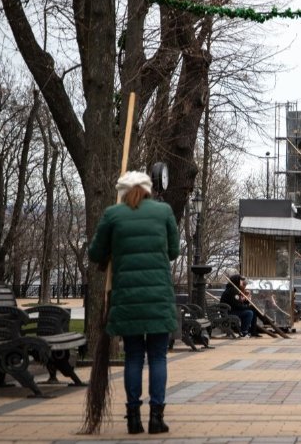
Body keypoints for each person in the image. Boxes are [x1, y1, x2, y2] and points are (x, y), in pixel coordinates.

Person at [88, 171, 179, 434]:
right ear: (149, 190)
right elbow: (173, 251)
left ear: (123, 191)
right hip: (158, 296)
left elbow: (95, 252)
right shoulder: (164, 212)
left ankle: (133, 419)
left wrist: (114, 249)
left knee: (134, 356)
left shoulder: (113, 215)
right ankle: (156, 418)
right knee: (159, 357)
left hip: (127, 297)